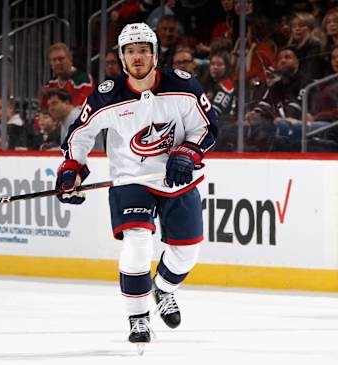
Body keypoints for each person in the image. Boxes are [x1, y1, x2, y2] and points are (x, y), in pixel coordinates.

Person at [54, 23, 218, 350]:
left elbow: (208, 127)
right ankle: (138, 317)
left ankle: (164, 288)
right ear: (121, 57)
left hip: (177, 179)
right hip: (131, 179)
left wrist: (187, 153)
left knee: (186, 254)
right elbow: (80, 134)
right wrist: (72, 168)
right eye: (130, 51)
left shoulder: (183, 87)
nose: (137, 56)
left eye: (143, 49)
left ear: (155, 54)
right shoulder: (107, 95)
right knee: (138, 242)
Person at [40, 42, 94, 111]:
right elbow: (42, 112)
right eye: (54, 60)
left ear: (70, 59)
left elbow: (79, 112)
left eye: (61, 59)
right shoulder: (49, 85)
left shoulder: (84, 80)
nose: (57, 63)